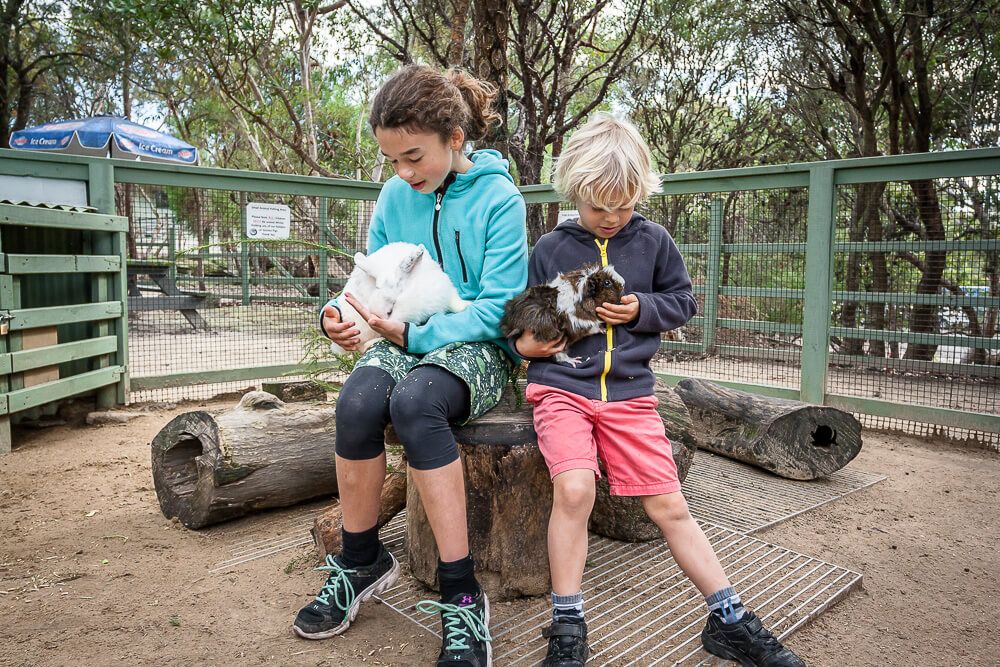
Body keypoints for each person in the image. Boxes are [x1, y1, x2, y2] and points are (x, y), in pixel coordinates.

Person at [511, 113, 805, 667]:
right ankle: (567, 625)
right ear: (575, 193)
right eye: (599, 207)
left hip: (630, 394)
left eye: (623, 206)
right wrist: (526, 345)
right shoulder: (551, 245)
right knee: (574, 491)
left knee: (669, 504)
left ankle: (729, 618)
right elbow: (529, 316)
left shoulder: (653, 240)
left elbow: (683, 301)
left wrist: (643, 309)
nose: (611, 218)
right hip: (561, 389)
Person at [293, 64, 528, 667]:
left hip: (475, 345)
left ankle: (462, 593)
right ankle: (361, 559)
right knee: (357, 404)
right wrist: (337, 314)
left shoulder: (500, 199)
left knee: (417, 405)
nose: (403, 173)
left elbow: (500, 308)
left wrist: (418, 331)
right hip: (398, 337)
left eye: (413, 157)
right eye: (392, 160)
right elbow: (365, 279)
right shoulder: (396, 194)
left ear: (455, 137)